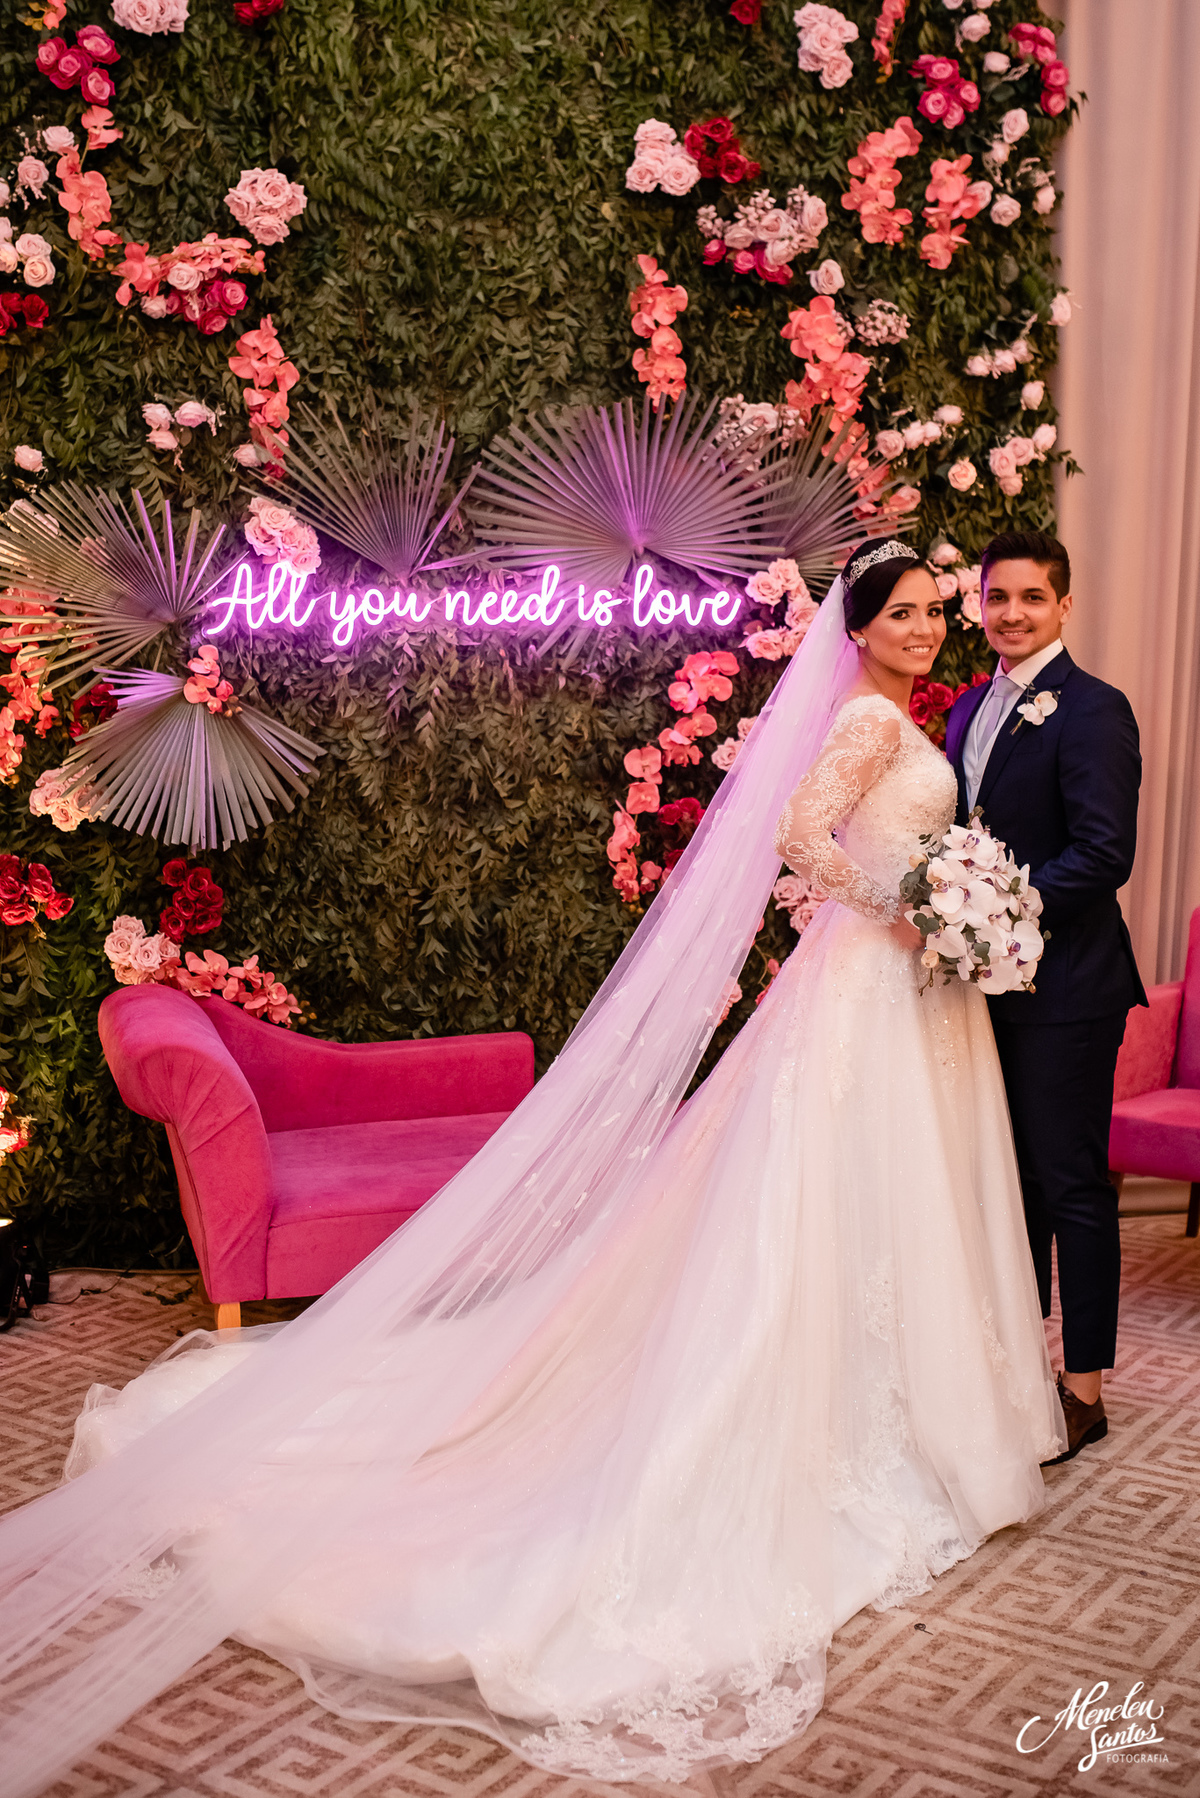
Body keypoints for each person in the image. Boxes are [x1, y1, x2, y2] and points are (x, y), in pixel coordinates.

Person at [0, 541, 1065, 1796]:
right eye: (908, 613)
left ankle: (922, 1395)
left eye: (940, 610)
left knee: (899, 1199)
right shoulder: (868, 727)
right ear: (862, 628)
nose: (930, 626)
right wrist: (907, 901)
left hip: (906, 993)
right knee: (831, 1204)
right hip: (869, 983)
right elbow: (796, 834)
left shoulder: (899, 716)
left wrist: (943, 905)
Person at [944, 530, 1145, 1463]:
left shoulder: (1096, 711)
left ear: (1065, 606)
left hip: (1068, 985)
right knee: (1009, 1183)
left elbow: (1104, 855)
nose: (1012, 613)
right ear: (978, 606)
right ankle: (1022, 1366)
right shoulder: (967, 708)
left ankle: (1085, 1390)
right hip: (989, 986)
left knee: (1070, 1186)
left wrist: (993, 912)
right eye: (997, 598)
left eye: (1032, 597)